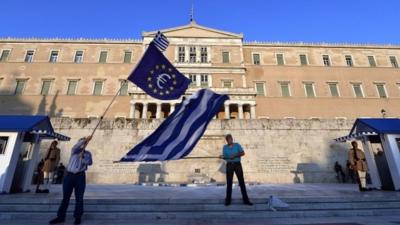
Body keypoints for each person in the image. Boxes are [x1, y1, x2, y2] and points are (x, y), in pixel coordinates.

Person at [49, 136, 93, 225]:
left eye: (84, 143)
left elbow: (89, 163)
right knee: (66, 197)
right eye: (81, 142)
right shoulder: (74, 151)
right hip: (69, 175)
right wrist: (84, 140)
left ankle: (78, 217)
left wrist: (83, 158)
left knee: (79, 198)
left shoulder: (88, 153)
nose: (82, 144)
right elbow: (76, 146)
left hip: (80, 176)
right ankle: (60, 216)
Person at [220, 134, 253, 206]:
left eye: (230, 139)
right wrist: (222, 157)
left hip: (237, 164)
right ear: (226, 140)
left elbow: (243, 153)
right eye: (228, 139)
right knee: (229, 183)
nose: (229, 140)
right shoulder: (224, 147)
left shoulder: (237, 145)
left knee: (241, 182)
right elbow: (225, 157)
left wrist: (235, 155)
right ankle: (228, 200)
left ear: (232, 139)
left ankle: (246, 200)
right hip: (229, 165)